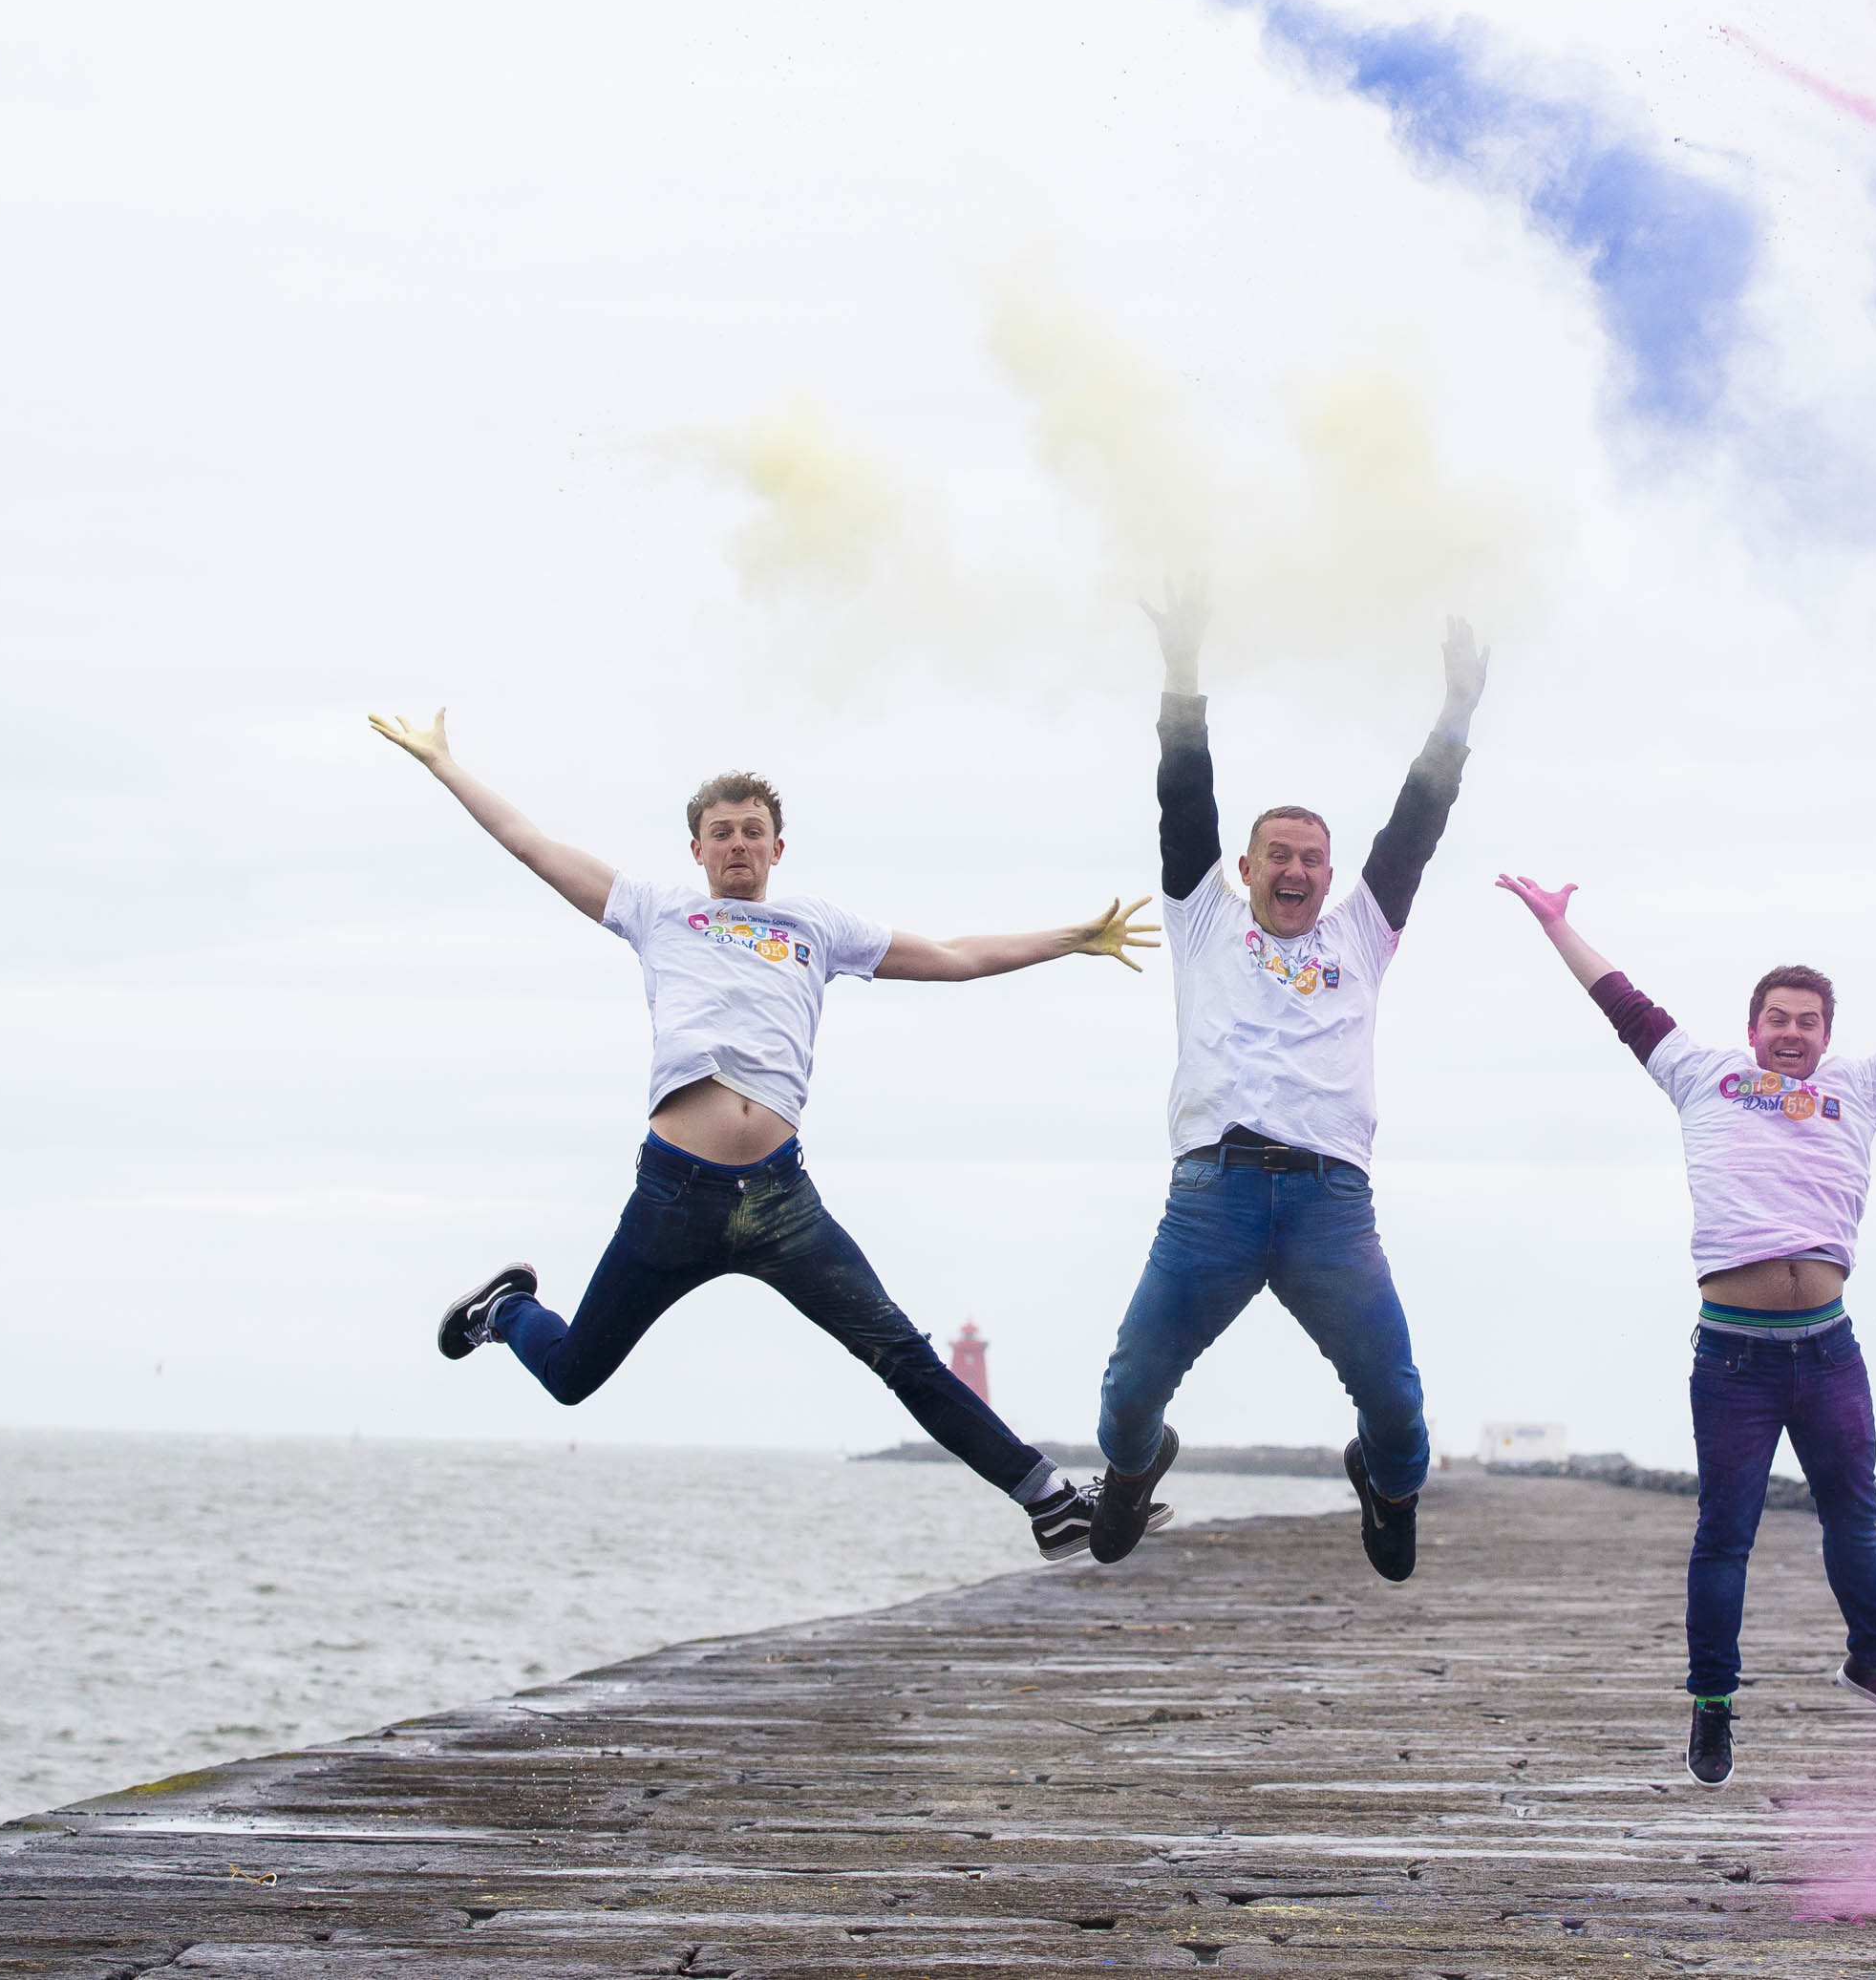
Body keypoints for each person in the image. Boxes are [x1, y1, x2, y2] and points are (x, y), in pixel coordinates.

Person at [370, 708, 1161, 1562]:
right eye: (722, 833)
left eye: (754, 831)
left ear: (778, 848)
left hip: (780, 1200)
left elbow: (954, 955)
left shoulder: (815, 928)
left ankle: (1048, 1503)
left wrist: (1072, 938)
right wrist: (444, 765)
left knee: (899, 1350)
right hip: (676, 1195)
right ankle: (509, 1310)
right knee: (570, 1378)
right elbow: (530, 842)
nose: (738, 844)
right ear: (698, 851)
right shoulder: (655, 911)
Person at [1495, 872, 1876, 1783]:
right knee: (1725, 1534)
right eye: (1779, 1018)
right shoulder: (1703, 1077)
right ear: (1754, 1025)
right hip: (1733, 1359)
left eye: (1808, 1021)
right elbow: (1622, 1002)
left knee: (1856, 1518)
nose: (1793, 1033)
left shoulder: (1866, 1088)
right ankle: (1713, 1702)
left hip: (1829, 1350)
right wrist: (1559, 925)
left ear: (1827, 1034)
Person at [1087, 594, 1488, 1581]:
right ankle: (1134, 1475)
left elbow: (1417, 823)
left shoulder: (1363, 930)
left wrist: (1457, 711)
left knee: (1395, 1409)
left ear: (1330, 871)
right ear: (1246, 867)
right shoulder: (1202, 919)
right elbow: (1183, 794)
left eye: (1314, 857)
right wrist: (1181, 671)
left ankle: (1384, 1489)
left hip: (1330, 1208)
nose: (1298, 868)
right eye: (1281, 855)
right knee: (1130, 1391)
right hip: (1211, 1200)